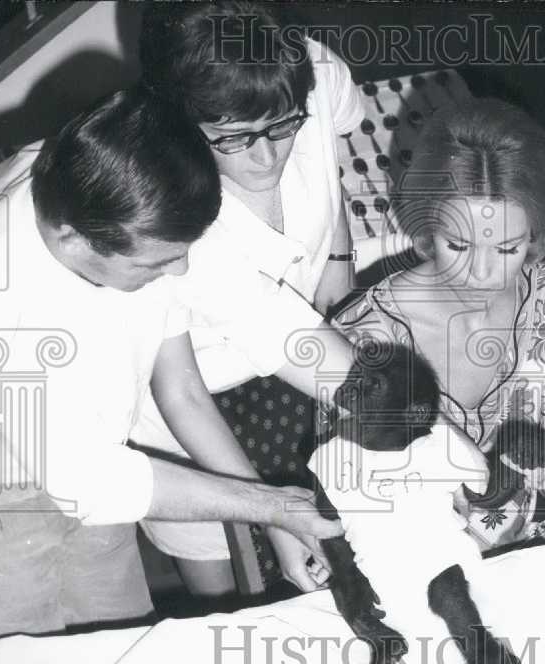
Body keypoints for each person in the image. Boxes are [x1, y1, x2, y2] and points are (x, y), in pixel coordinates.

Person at [0, 87, 341, 642]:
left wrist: (403, 414)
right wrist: (272, 506)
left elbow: (190, 382)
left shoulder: (119, 180)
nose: (182, 272)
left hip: (97, 457)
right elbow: (91, 483)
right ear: (71, 243)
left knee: (118, 650)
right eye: (160, 261)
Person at [129, 1, 367, 596]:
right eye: (234, 138)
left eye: (284, 126)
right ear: (179, 122)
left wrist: (338, 257)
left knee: (346, 541)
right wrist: (268, 513)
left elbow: (333, 160)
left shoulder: (312, 71)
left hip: (300, 371)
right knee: (227, 590)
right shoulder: (161, 203)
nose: (267, 157)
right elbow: (178, 390)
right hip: (196, 409)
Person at [333, 98, 545, 551]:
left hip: (534, 549)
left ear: (534, 235)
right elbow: (364, 512)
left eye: (507, 249)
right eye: (458, 245)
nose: (482, 274)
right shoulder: (362, 338)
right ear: (427, 227)